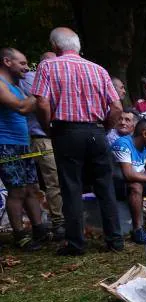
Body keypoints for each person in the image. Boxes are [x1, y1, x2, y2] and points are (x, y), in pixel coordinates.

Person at [32, 27, 123, 256]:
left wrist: (48, 128)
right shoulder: (98, 69)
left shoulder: (48, 66)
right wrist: (105, 128)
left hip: (66, 131)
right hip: (96, 131)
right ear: (78, 46)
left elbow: (42, 103)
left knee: (71, 187)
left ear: (54, 46)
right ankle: (115, 240)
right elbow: (117, 107)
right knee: (105, 185)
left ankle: (76, 244)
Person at [0, 48, 46, 251]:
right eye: (22, 63)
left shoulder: (16, 86)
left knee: (32, 188)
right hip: (6, 144)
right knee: (16, 190)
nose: (27, 68)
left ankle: (39, 229)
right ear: (7, 61)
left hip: (22, 143)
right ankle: (20, 235)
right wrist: (42, 93)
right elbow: (21, 107)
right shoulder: (1, 85)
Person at [19, 51, 63, 241]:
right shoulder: (30, 78)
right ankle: (57, 222)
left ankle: (57, 221)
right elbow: (40, 104)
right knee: (51, 180)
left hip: (58, 136)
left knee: (57, 179)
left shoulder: (59, 80)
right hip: (41, 137)